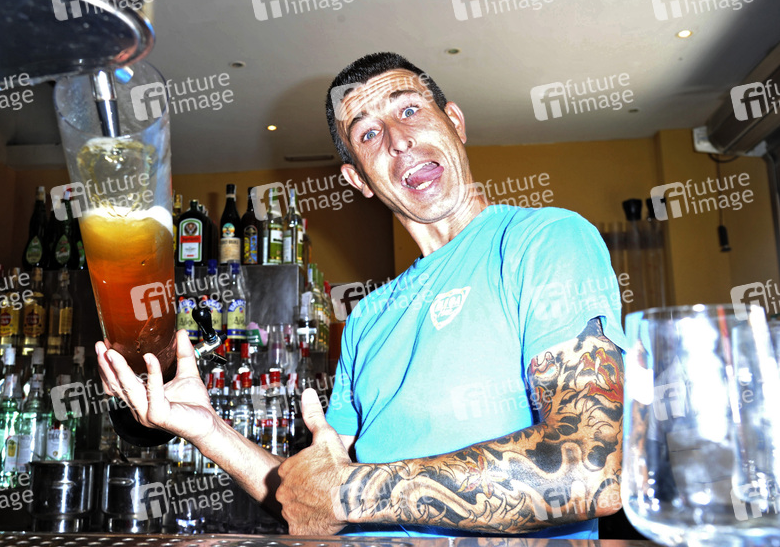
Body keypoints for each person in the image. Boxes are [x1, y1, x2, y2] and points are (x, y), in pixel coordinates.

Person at [96, 52, 627, 540]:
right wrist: (205, 426)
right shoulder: (368, 318)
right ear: (358, 180)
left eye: (410, 110)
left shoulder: (542, 240)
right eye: (369, 133)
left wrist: (349, 493)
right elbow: (310, 500)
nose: (398, 139)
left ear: (455, 122)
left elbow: (592, 468)